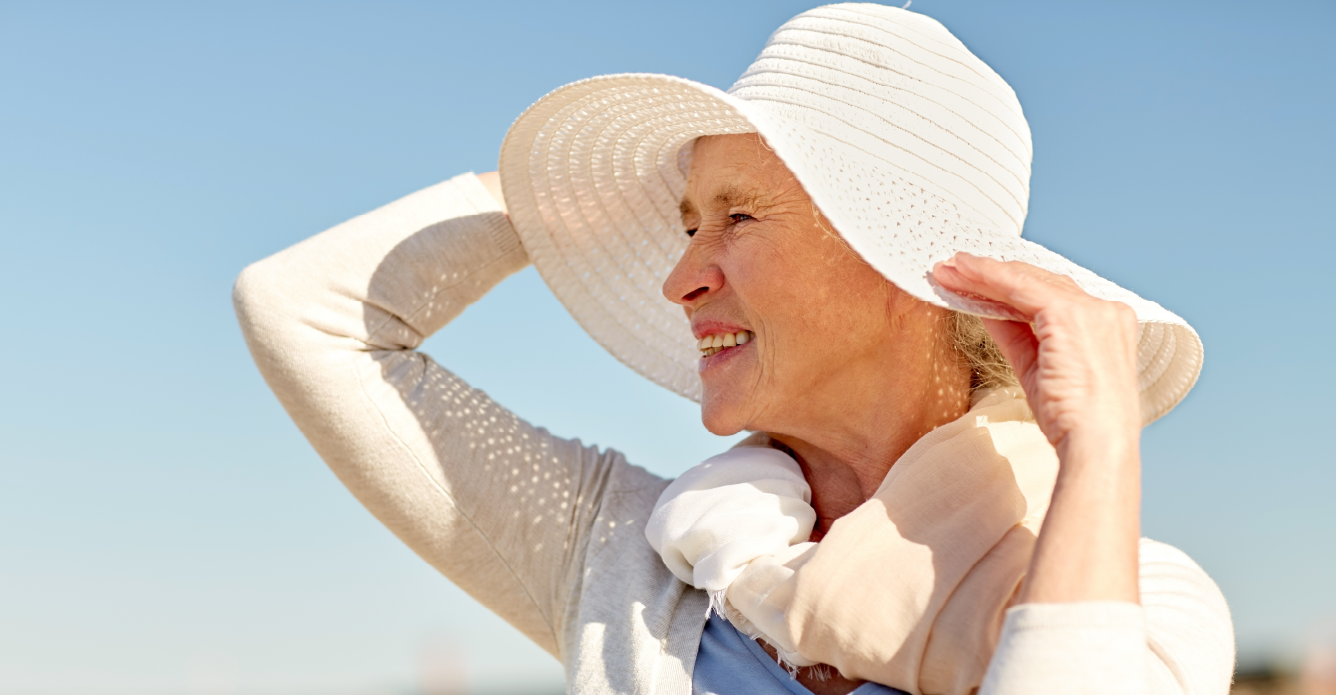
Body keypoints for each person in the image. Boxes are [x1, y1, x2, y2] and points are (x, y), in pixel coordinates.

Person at [234, 4, 1233, 694]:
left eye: (738, 216)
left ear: (909, 268)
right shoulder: (628, 558)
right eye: (682, 223)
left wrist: (1100, 448)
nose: (678, 278)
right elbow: (303, 311)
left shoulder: (1140, 602)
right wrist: (554, 199)